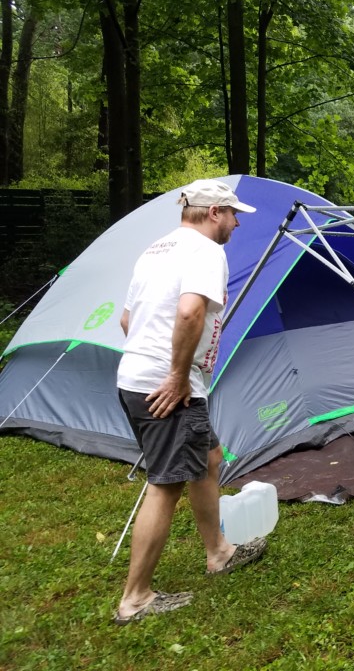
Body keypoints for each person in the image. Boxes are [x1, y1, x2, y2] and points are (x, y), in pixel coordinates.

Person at [113, 179, 267, 625]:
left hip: (136, 378)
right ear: (214, 211)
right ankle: (135, 598)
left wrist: (157, 365)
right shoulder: (205, 252)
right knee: (166, 483)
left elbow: (127, 319)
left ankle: (218, 552)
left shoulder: (156, 249)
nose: (237, 224)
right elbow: (189, 312)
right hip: (168, 387)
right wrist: (177, 374)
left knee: (208, 457)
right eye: (234, 214)